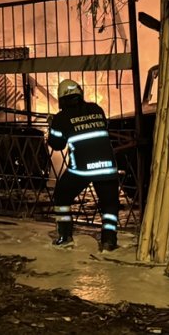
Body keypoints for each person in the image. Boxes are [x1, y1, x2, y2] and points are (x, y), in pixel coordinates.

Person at [47, 79, 120, 251]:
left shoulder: (61, 117)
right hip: (108, 167)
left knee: (62, 196)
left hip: (82, 169)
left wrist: (52, 125)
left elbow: (56, 144)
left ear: (61, 99)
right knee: (110, 204)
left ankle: (65, 237)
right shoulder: (96, 109)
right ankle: (109, 241)